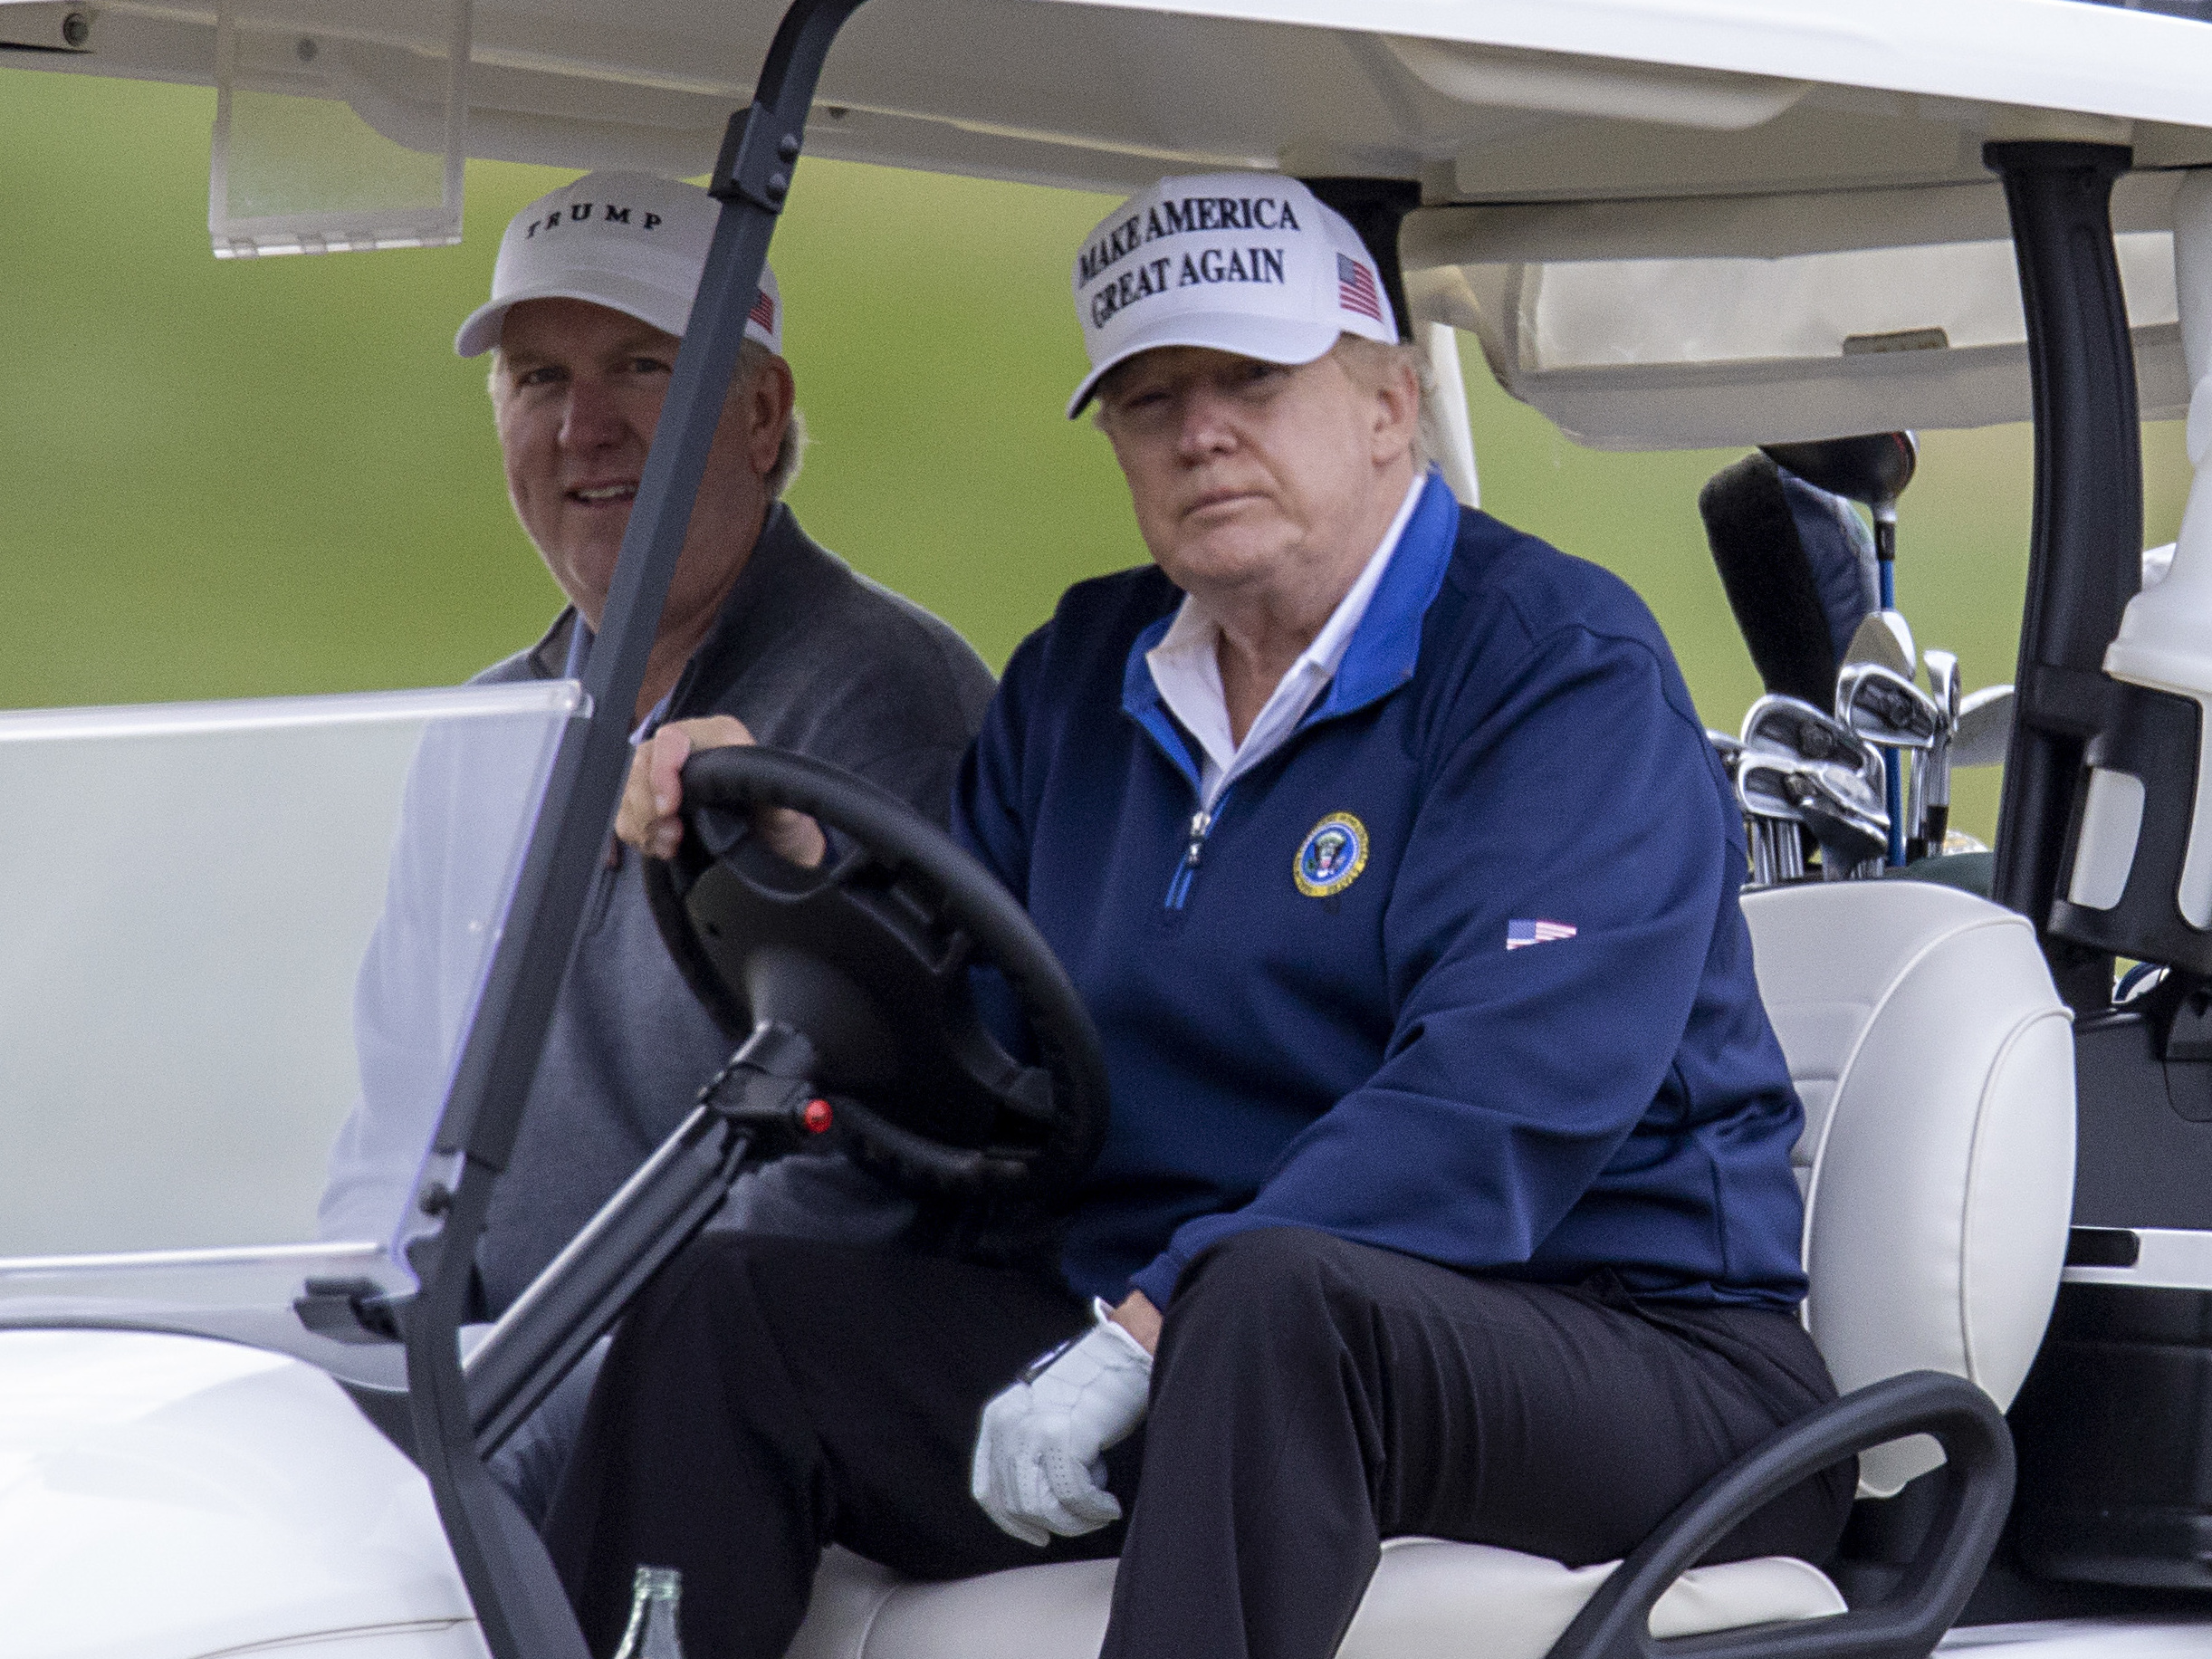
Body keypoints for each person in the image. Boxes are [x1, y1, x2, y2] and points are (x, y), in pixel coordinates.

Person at [546, 173, 1853, 1659]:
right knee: (731, 1317)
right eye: (1149, 398)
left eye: (1251, 379)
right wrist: (800, 862)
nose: (1200, 431)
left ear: (1387, 405)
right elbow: (972, 1049)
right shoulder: (1081, 675)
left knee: (1275, 1301)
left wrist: (1155, 1320)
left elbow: (1498, 1104)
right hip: (1192, 1336)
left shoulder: (1554, 667)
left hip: (1627, 1341)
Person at [315, 171, 996, 1510]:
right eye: (537, 378)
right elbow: (389, 1136)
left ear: (760, 414)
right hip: (488, 1366)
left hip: (720, 1376)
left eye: (643, 368)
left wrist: (569, 1388)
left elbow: (872, 1166)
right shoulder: (487, 730)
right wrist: (339, 1336)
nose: (585, 427)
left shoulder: (879, 695)